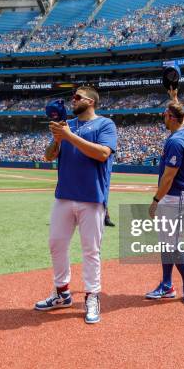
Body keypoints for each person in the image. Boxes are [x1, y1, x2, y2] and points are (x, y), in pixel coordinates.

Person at [34, 86, 117, 324]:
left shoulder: (105, 124)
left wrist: (69, 135)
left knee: (90, 251)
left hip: (92, 197)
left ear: (90, 101)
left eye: (78, 97)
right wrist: (58, 139)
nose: (73, 100)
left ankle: (92, 296)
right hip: (64, 195)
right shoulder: (66, 124)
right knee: (56, 244)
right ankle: (62, 293)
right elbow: (49, 156)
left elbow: (102, 154)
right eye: (73, 97)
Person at [146, 90, 184, 306]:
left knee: (174, 246)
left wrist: (155, 200)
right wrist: (174, 97)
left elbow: (168, 177)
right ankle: (167, 285)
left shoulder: (176, 141)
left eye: (165, 114)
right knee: (167, 244)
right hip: (177, 197)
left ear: (172, 118)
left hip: (175, 198)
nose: (163, 118)